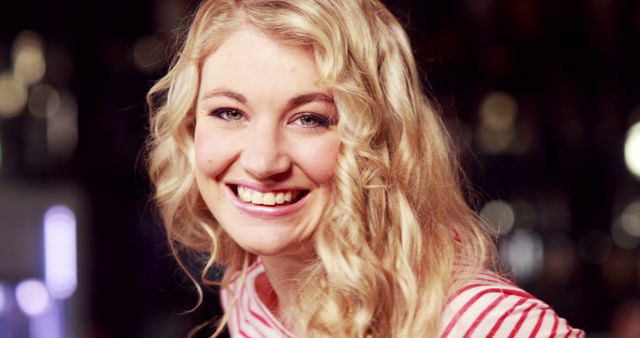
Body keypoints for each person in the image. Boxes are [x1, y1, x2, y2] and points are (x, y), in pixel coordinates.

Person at [146, 0, 585, 337]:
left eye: (310, 119)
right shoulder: (248, 296)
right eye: (229, 112)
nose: (263, 162)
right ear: (188, 126)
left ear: (380, 140)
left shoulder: (482, 323)